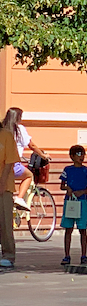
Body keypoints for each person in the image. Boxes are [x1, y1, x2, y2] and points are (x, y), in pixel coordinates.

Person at [59, 145, 87, 266]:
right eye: (78, 154)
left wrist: (83, 191)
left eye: (83, 154)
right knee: (68, 229)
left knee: (82, 229)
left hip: (82, 201)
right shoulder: (67, 170)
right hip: (70, 201)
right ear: (72, 156)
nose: (82, 157)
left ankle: (84, 255)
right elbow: (62, 185)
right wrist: (68, 188)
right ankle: (66, 255)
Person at [4, 107, 42, 212]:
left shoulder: (2, 128)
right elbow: (32, 146)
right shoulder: (19, 129)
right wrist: (43, 155)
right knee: (29, 175)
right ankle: (20, 198)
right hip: (13, 165)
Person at [0, 110, 19, 269]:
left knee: (5, 221)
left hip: (4, 187)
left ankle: (8, 254)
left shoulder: (6, 136)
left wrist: (2, 183)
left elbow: (9, 162)